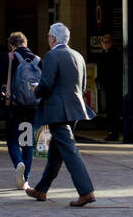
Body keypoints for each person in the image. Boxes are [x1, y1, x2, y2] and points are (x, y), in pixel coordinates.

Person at [24, 22, 97, 207]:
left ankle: (86, 191)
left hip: (57, 111)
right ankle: (41, 190)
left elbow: (47, 83)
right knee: (56, 152)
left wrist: (35, 89)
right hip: (75, 109)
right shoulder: (77, 55)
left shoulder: (52, 55)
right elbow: (82, 84)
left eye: (49, 36)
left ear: (54, 38)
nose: (47, 38)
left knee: (70, 151)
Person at [0, 32, 40, 190]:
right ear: (25, 43)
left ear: (12, 45)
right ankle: (25, 179)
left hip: (13, 107)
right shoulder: (37, 60)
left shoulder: (9, 57)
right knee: (27, 142)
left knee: (13, 140)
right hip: (31, 108)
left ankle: (18, 163)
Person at [95, 34, 123, 141]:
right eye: (103, 42)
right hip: (107, 86)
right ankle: (111, 132)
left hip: (113, 86)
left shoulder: (114, 54)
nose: (105, 44)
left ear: (112, 43)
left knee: (113, 111)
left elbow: (113, 71)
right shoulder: (104, 54)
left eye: (107, 42)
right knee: (109, 111)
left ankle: (114, 133)